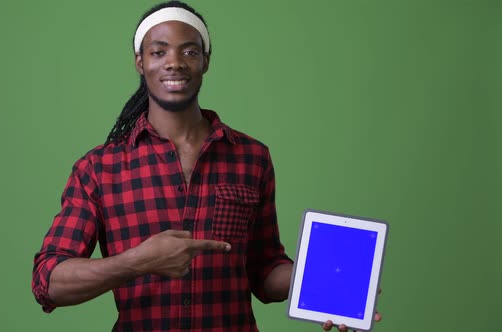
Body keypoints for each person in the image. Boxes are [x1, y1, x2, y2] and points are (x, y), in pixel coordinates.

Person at [32, 1, 381, 331]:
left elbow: (264, 270)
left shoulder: (251, 157)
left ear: (206, 61)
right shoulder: (99, 168)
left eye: (190, 51)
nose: (175, 63)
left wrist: (323, 284)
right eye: (159, 51)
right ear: (140, 62)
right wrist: (138, 261)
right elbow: (48, 281)